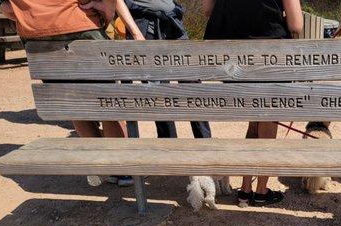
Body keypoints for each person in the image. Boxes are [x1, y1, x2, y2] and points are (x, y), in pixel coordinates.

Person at [0, 0, 133, 186]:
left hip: (35, 30)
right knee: (105, 100)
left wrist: (17, 9)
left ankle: (100, 164)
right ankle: (121, 169)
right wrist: (107, 13)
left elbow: (6, 7)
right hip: (78, 22)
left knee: (69, 100)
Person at [202, 0, 303, 206]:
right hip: (268, 53)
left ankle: (246, 190)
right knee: (268, 121)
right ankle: (261, 191)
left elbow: (207, 10)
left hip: (233, 60)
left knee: (255, 121)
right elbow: (296, 25)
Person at [115, 0, 212, 140]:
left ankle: (205, 142)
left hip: (173, 20)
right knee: (158, 90)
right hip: (145, 24)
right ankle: (168, 144)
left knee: (192, 83)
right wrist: (136, 33)